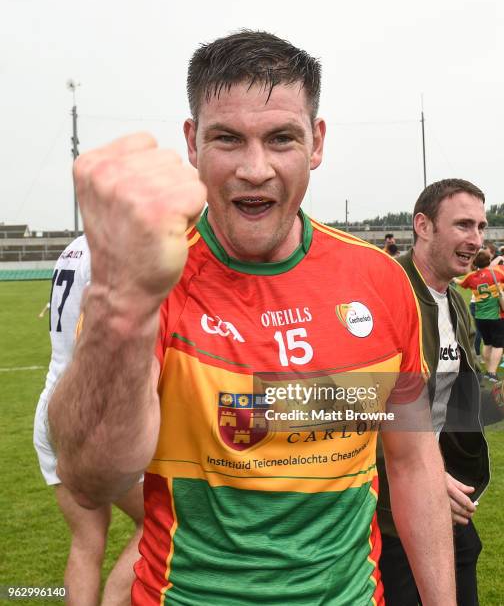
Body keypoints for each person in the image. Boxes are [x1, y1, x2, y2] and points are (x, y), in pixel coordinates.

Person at [47, 30, 455, 605]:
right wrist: (126, 304)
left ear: (316, 142)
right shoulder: (150, 281)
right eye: (228, 139)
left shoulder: (380, 281)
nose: (255, 168)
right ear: (192, 143)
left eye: (281, 138)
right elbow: (93, 480)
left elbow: (412, 464)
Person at [378, 179, 493, 606]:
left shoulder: (455, 301)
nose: (475, 240)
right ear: (422, 225)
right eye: (463, 225)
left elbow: (462, 401)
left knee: (465, 566)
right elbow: (350, 408)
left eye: (481, 227)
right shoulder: (384, 293)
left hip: (442, 490)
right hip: (388, 507)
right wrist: (427, 475)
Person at [33, 235, 144, 606]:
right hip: (95, 414)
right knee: (165, 523)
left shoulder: (76, 245)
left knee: (86, 541)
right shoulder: (121, 247)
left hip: (52, 406)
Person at [457, 250, 504, 382]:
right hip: (496, 316)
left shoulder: (471, 277)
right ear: (489, 261)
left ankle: (489, 371)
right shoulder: (498, 272)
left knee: (487, 343)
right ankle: (492, 373)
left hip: (480, 316)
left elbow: (461, 283)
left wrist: (451, 277)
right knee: (498, 345)